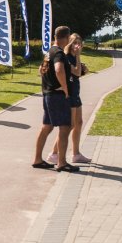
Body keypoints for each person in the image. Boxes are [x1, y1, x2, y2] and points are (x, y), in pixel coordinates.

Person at [32, 26, 78, 172]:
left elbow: (41, 70)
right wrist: (64, 88)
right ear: (66, 37)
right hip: (57, 96)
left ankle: (37, 159)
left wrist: (48, 83)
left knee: (47, 126)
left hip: (47, 94)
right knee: (65, 127)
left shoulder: (49, 52)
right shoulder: (58, 52)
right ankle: (62, 162)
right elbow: (59, 69)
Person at [48, 33, 91, 165]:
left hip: (75, 94)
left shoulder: (74, 57)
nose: (77, 46)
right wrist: (78, 58)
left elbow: (79, 73)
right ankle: (54, 153)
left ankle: (76, 154)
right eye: (74, 43)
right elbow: (76, 72)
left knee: (78, 123)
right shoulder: (66, 57)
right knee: (69, 126)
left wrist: (82, 67)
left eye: (79, 43)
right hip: (69, 95)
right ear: (69, 43)